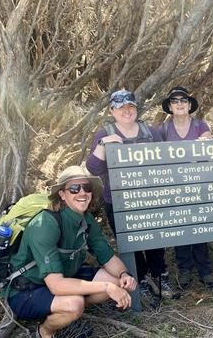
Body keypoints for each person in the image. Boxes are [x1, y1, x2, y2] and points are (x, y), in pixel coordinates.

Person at [4, 166, 137, 338]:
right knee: (75, 303)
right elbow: (56, 285)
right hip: (28, 289)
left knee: (116, 281)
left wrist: (124, 274)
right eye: (74, 189)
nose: (82, 193)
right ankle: (44, 331)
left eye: (86, 188)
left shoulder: (86, 220)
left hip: (65, 275)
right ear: (62, 194)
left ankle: (64, 310)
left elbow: (107, 255)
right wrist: (106, 287)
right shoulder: (45, 224)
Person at [86, 89, 173, 297]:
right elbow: (93, 168)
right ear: (112, 111)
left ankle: (160, 276)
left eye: (130, 107)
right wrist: (103, 145)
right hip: (117, 201)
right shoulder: (105, 133)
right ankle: (139, 279)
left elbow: (166, 162)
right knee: (129, 243)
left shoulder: (150, 132)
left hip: (149, 198)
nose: (127, 111)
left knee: (155, 239)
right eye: (121, 108)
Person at [159, 86, 213, 289]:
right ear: (169, 106)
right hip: (175, 186)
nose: (179, 104)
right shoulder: (163, 129)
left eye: (183, 100)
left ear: (189, 104)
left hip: (198, 184)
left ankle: (205, 270)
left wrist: (207, 140)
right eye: (175, 101)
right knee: (181, 228)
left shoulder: (200, 125)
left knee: (200, 226)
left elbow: (210, 150)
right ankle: (185, 269)